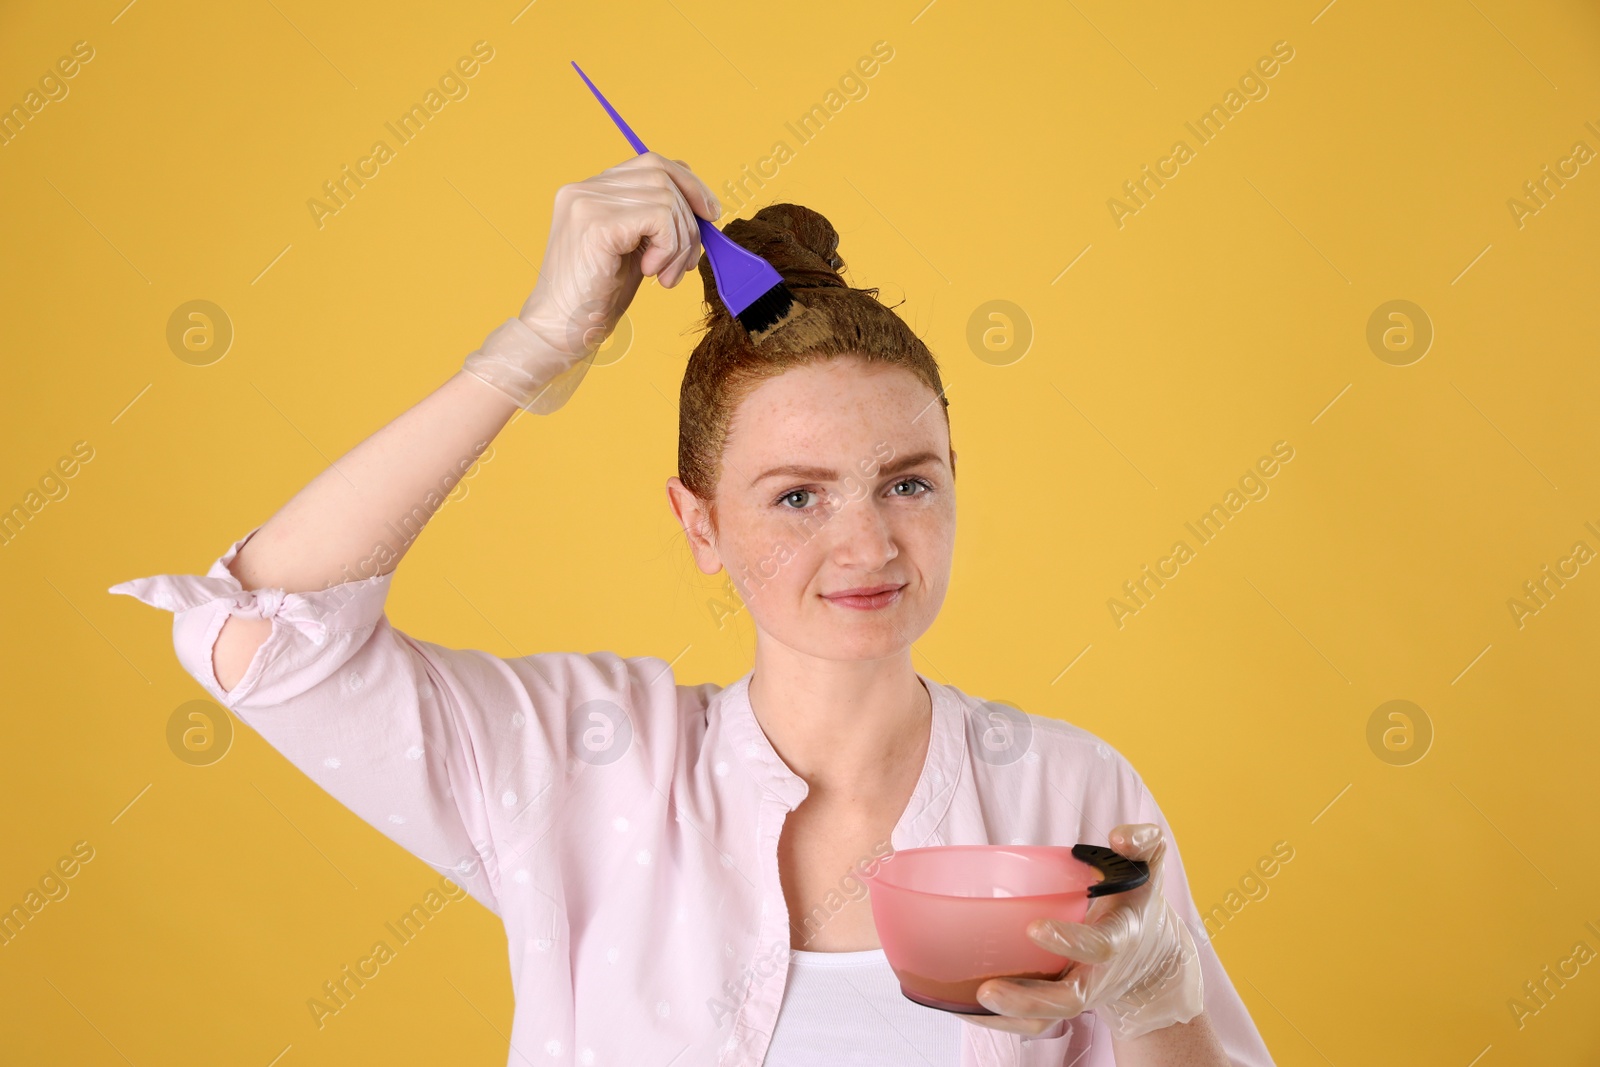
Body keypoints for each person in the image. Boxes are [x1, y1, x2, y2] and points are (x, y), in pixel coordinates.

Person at [110, 153, 1276, 1067]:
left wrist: (1157, 997)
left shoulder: (1067, 794)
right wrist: (533, 348)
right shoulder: (585, 762)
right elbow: (259, 632)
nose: (866, 542)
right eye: (796, 496)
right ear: (700, 526)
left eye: (908, 481)